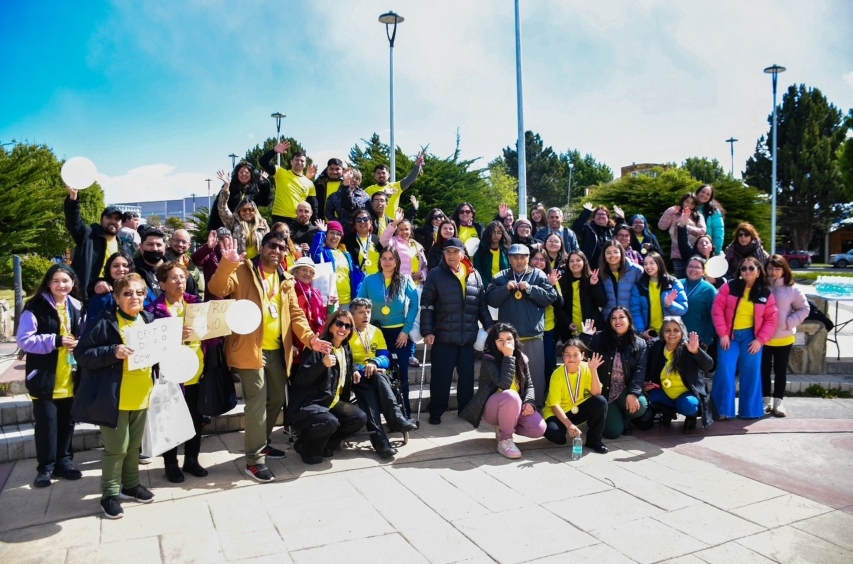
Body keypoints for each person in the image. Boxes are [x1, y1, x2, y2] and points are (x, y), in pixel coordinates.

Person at [208, 232, 330, 483]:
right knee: (257, 401)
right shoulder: (243, 269)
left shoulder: (286, 280)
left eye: (282, 247)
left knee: (276, 399)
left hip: (277, 349)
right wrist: (227, 263)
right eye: (272, 245)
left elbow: (296, 314)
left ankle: (260, 442)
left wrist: (310, 339)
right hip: (249, 348)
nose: (277, 250)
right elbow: (217, 289)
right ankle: (254, 460)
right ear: (262, 247)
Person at [72, 274, 157, 519]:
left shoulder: (148, 319)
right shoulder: (103, 321)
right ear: (117, 298)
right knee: (117, 448)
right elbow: (82, 354)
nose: (134, 297)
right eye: (128, 293)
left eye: (139, 293)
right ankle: (109, 495)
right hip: (114, 397)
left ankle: (131, 486)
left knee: (133, 446)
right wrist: (113, 351)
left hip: (142, 394)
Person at [16, 264, 84, 488]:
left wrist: (79, 343)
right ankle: (45, 468)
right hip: (44, 378)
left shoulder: (77, 306)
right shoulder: (35, 306)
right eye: (56, 281)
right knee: (46, 426)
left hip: (69, 378)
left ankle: (65, 462)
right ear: (48, 283)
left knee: (67, 423)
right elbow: (24, 340)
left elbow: (84, 334)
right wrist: (56, 340)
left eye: (65, 281)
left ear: (73, 283)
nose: (61, 285)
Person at [146, 261, 210, 483]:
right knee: (170, 421)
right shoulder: (153, 311)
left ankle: (191, 460)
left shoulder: (196, 304)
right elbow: (152, 345)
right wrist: (174, 336)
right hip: (171, 376)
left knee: (195, 420)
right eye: (174, 278)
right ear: (162, 284)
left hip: (196, 373)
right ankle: (171, 464)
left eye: (182, 277)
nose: (180, 282)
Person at [420, 238, 494, 424]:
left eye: (455, 252)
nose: (451, 255)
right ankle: (436, 411)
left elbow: (481, 305)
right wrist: (427, 331)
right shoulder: (435, 274)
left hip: (468, 336)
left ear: (463, 254)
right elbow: (427, 305)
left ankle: (466, 410)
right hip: (443, 336)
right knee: (441, 377)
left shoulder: (473, 274)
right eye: (448, 252)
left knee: (467, 377)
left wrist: (489, 325)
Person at [288, 310, 367, 464]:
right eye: (339, 323)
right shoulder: (318, 347)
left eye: (348, 326)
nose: (343, 328)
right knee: (329, 423)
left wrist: (354, 369)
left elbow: (344, 365)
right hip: (310, 404)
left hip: (331, 401)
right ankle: (304, 444)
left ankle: (327, 445)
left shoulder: (345, 348)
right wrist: (322, 364)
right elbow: (301, 379)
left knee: (359, 418)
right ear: (330, 326)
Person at [459, 323, 546, 458]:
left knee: (538, 429)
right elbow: (504, 384)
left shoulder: (521, 358)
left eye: (509, 339)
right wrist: (508, 356)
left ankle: (505, 427)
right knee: (511, 396)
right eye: (501, 340)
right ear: (494, 343)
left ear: (515, 340)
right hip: (492, 408)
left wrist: (529, 402)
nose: (506, 344)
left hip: (515, 406)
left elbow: (529, 385)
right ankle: (505, 440)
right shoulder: (489, 359)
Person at [487, 244, 558, 406]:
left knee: (535, 376)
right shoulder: (501, 277)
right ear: (509, 259)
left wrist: (531, 289)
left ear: (528, 258)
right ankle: (509, 407)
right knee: (509, 376)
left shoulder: (539, 275)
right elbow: (490, 299)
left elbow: (550, 296)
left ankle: (534, 407)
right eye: (515, 257)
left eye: (522, 257)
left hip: (533, 335)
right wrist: (505, 289)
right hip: (508, 338)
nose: (519, 261)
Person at [711, 256, 778, 420]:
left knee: (751, 372)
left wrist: (760, 340)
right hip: (730, 336)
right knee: (725, 368)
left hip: (751, 337)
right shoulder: (729, 287)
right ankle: (721, 410)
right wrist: (723, 334)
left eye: (751, 268)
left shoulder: (765, 293)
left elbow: (771, 319)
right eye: (743, 268)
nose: (747, 271)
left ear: (758, 272)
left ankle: (750, 411)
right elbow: (717, 309)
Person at [349, 298, 417, 458]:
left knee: (380, 376)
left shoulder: (375, 331)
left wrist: (374, 362)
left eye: (368, 312)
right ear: (352, 315)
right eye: (361, 312)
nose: (366, 315)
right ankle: (381, 440)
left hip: (376, 373)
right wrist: (361, 368)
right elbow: (344, 358)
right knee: (369, 395)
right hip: (356, 375)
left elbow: (385, 356)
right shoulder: (346, 331)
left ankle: (396, 419)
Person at [357, 248, 419, 416]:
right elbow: (359, 303)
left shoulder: (405, 280)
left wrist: (406, 330)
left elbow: (415, 305)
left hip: (399, 334)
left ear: (397, 261)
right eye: (384, 258)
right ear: (380, 261)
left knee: (401, 372)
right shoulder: (370, 280)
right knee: (381, 372)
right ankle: (384, 412)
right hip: (376, 333)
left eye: (391, 258)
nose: (387, 262)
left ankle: (404, 412)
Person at [580, 306, 649, 439]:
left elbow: (640, 371)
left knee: (641, 405)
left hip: (624, 390)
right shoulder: (599, 338)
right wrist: (586, 336)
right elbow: (582, 355)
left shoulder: (640, 344)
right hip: (604, 392)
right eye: (614, 318)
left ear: (629, 320)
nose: (618, 321)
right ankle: (604, 417)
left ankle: (625, 420)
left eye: (621, 317)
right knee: (613, 432)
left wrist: (633, 393)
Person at [644, 317, 714, 433]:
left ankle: (691, 418)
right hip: (666, 393)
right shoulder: (657, 348)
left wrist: (696, 352)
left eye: (676, 330)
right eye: (668, 330)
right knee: (652, 397)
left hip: (686, 396)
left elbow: (709, 365)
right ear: (663, 333)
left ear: (682, 332)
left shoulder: (689, 347)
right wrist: (645, 383)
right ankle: (667, 412)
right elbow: (647, 367)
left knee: (689, 405)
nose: (672, 334)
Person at [64, 186, 131, 304]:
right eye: (109, 217)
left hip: (112, 297)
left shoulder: (123, 247)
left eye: (117, 219)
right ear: (101, 220)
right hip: (85, 297)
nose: (113, 221)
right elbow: (73, 220)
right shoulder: (88, 235)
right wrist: (73, 198)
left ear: (121, 223)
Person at [762, 255, 809, 417]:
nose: (773, 272)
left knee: (780, 371)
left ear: (784, 270)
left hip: (784, 337)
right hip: (763, 338)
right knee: (764, 370)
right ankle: (765, 401)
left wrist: (788, 323)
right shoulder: (761, 286)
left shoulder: (793, 289)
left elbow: (804, 308)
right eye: (770, 268)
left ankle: (778, 402)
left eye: (777, 268)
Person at [543, 340, 608, 453]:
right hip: (559, 412)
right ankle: (564, 430)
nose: (571, 358)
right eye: (567, 354)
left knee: (600, 401)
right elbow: (555, 406)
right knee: (554, 434)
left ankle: (594, 440)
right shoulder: (557, 374)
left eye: (575, 355)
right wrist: (569, 425)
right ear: (563, 356)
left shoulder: (588, 367)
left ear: (582, 356)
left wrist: (593, 371)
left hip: (579, 408)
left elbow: (596, 393)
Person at [630, 251, 688, 340]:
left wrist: (670, 304)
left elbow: (683, 309)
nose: (648, 266)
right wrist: (641, 332)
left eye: (651, 263)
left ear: (659, 264)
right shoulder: (639, 286)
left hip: (671, 334)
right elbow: (636, 311)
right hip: (650, 334)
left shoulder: (673, 283)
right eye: (645, 264)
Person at [87, 251, 157, 323]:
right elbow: (93, 324)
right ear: (109, 269)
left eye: (125, 265)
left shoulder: (143, 289)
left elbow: (156, 310)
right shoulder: (103, 296)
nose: (121, 269)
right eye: (116, 266)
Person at [528, 249, 565, 382]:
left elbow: (560, 303)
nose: (539, 262)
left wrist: (552, 286)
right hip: (529, 327)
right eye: (535, 259)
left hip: (547, 326)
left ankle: (549, 388)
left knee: (549, 360)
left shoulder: (551, 277)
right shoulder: (524, 277)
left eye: (542, 259)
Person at [260, 141, 318, 224]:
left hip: (298, 219)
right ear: (291, 162)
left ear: (305, 164)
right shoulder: (280, 173)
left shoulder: (309, 183)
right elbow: (263, 161)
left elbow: (313, 206)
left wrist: (315, 224)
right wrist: (274, 151)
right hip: (279, 217)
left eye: (302, 161)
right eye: (296, 160)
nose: (299, 162)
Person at [216, 171, 270, 260]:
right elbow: (222, 207)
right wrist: (227, 186)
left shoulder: (262, 223)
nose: (247, 212)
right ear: (239, 211)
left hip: (258, 262)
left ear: (255, 211)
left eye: (251, 210)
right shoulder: (233, 221)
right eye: (244, 210)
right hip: (239, 262)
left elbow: (268, 242)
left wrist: (264, 184)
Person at [288, 257, 330, 367]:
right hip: (296, 343)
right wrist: (289, 344)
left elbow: (322, 318)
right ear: (295, 272)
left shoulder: (316, 293)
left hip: (313, 343)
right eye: (304, 270)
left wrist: (330, 305)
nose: (308, 274)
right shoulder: (289, 290)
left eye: (311, 272)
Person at [135, 228, 200, 298]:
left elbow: (194, 298)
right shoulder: (132, 269)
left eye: (159, 245)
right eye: (150, 244)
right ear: (141, 247)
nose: (155, 248)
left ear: (165, 247)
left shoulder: (178, 269)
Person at [208, 161, 271, 232]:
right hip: (230, 226)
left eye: (247, 172)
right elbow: (219, 206)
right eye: (241, 172)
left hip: (250, 226)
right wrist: (213, 229)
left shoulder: (255, 188)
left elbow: (265, 202)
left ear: (251, 174)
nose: (244, 174)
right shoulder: (229, 187)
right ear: (237, 174)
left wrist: (264, 185)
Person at [310, 220, 359, 309]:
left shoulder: (346, 253)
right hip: (329, 301)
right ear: (326, 234)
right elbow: (315, 253)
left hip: (347, 301)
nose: (335, 236)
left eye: (338, 234)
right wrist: (321, 232)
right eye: (331, 232)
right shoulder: (323, 252)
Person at [559, 250, 607, 338]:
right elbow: (558, 307)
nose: (575, 263)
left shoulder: (593, 278)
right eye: (571, 261)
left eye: (578, 260)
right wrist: (567, 323)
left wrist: (594, 286)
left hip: (591, 330)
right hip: (570, 330)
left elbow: (602, 302)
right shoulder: (562, 281)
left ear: (584, 262)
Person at [658, 193, 707, 278]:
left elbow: (702, 231)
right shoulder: (674, 214)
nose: (689, 205)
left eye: (692, 203)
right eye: (687, 201)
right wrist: (669, 211)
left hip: (694, 253)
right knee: (681, 280)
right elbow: (661, 226)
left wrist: (684, 227)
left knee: (695, 278)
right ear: (682, 201)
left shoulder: (698, 216)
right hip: (677, 254)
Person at [379, 208, 427, 285]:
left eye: (406, 229)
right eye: (401, 229)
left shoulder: (416, 245)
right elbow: (383, 240)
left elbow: (425, 266)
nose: (404, 232)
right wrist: (394, 223)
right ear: (396, 231)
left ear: (410, 230)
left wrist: (422, 274)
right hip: (398, 284)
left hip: (417, 287)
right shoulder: (393, 242)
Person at [680, 256, 718, 353]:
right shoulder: (678, 284)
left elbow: (714, 316)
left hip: (697, 339)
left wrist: (707, 338)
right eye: (690, 266)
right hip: (676, 336)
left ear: (703, 271)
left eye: (697, 267)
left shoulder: (709, 290)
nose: (693, 269)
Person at [600, 240, 644, 319]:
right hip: (609, 320)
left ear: (621, 253)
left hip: (632, 319)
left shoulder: (636, 271)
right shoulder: (600, 274)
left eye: (615, 252)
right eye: (608, 253)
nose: (612, 255)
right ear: (604, 256)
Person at [572, 204, 622, 268]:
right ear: (594, 217)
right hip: (591, 267)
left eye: (603, 214)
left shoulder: (612, 230)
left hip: (609, 266)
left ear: (607, 217)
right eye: (598, 214)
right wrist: (586, 212)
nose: (601, 216)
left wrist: (621, 218)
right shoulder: (588, 228)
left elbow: (624, 233)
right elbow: (576, 228)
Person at [343, 209, 382, 285]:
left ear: (370, 222)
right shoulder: (347, 240)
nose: (362, 222)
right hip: (358, 282)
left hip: (377, 281)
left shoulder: (376, 239)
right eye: (358, 220)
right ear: (354, 224)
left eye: (365, 219)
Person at [191, 228, 232, 301]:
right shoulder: (210, 252)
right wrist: (207, 247)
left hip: (232, 296)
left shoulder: (234, 252)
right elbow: (195, 260)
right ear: (217, 240)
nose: (224, 240)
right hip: (215, 299)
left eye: (227, 237)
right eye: (221, 238)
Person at [165, 229, 205, 300]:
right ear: (170, 241)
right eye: (177, 240)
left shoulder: (190, 264)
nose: (180, 244)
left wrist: (198, 303)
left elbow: (200, 290)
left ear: (189, 245)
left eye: (184, 242)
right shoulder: (163, 261)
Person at [473, 221, 511, 288]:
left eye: (499, 232)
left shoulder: (506, 250)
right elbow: (478, 271)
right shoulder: (481, 251)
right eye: (493, 232)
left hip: (505, 286)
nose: (496, 235)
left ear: (502, 234)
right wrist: (487, 285)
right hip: (487, 287)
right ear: (488, 233)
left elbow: (511, 270)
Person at [695, 184, 725, 253]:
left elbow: (718, 231)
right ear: (698, 192)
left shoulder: (714, 211)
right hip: (689, 248)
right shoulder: (690, 206)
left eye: (708, 194)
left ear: (710, 197)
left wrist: (715, 251)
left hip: (706, 249)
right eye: (703, 192)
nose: (704, 195)